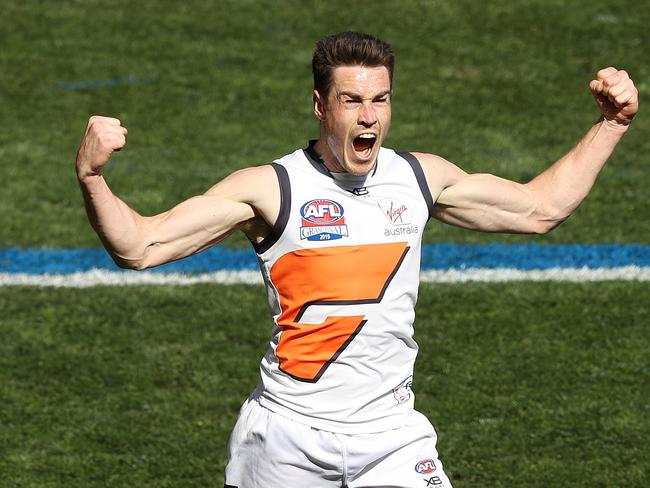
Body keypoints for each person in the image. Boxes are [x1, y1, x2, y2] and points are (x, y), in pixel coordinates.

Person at [76, 32, 638, 488]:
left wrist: (612, 124)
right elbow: (141, 246)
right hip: (285, 441)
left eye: (380, 99)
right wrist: (93, 177)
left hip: (392, 437)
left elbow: (540, 209)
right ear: (321, 106)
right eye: (352, 100)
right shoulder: (271, 189)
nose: (369, 116)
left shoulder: (418, 177)